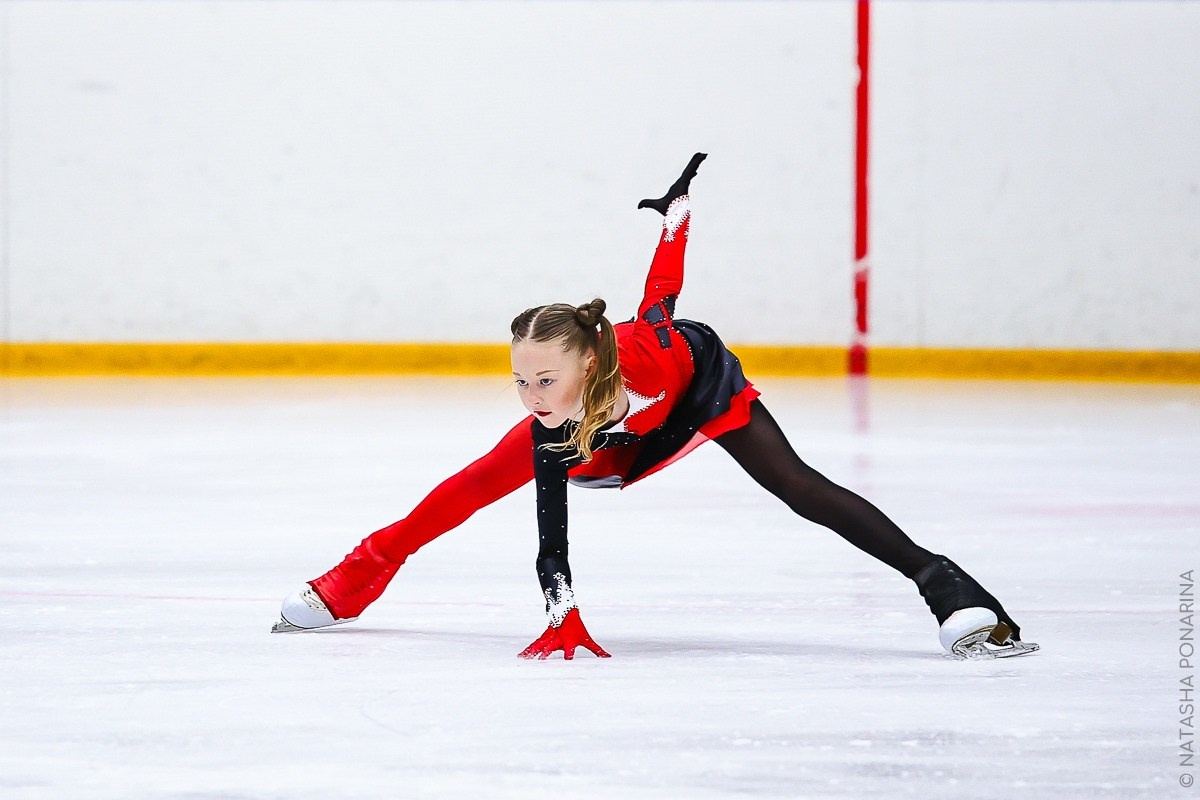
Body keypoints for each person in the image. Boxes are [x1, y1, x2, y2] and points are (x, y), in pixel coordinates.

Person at [272, 154, 1038, 661]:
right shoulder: (554, 420)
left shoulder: (646, 353)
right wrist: (561, 614)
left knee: (799, 487)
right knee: (466, 487)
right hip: (614, 439)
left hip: (695, 389)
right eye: (521, 381)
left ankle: (951, 591)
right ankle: (348, 585)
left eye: (547, 381)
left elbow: (662, 296)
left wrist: (682, 225)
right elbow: (551, 534)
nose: (532, 397)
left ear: (590, 362)